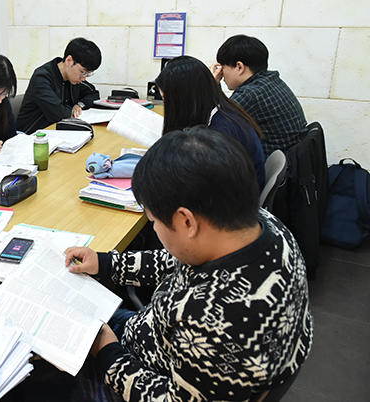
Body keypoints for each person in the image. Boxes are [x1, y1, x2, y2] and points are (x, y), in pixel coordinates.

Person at [56, 127, 313, 402]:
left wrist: (108, 353)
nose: (155, 229)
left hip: (139, 373)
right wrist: (107, 263)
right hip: (155, 337)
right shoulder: (264, 227)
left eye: (153, 221)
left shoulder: (216, 321)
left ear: (187, 221)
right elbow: (176, 259)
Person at [156, 55, 266, 188]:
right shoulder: (222, 113)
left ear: (183, 99)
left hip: (233, 197)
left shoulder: (221, 133)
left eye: (166, 99)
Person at [212, 34, 308, 156]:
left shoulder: (250, 93)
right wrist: (215, 85)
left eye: (223, 68)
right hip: (293, 156)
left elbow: (216, 123)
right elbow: (225, 110)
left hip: (272, 161)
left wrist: (209, 84)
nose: (221, 74)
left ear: (239, 67)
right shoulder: (271, 80)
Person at [16, 37, 101, 134]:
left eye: (87, 74)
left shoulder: (73, 79)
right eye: (83, 72)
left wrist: (79, 105)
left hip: (56, 132)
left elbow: (93, 94)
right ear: (69, 61)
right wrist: (71, 110)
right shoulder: (42, 77)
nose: (84, 78)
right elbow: (59, 114)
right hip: (31, 135)